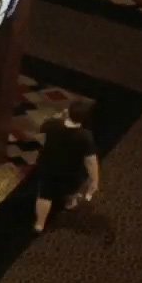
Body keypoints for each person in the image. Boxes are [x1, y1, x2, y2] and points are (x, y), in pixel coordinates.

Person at [34, 99, 98, 233]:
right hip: (71, 171)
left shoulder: (53, 125)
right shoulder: (85, 136)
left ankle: (39, 224)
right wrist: (94, 180)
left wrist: (57, 117)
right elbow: (90, 161)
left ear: (68, 112)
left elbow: (41, 127)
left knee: (44, 196)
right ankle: (70, 204)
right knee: (71, 190)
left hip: (48, 167)